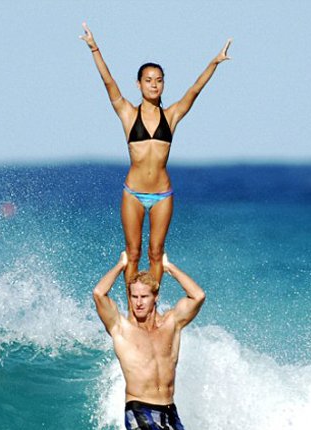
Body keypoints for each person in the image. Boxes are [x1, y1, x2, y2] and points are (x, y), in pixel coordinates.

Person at [81, 22, 231, 287]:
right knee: (133, 253)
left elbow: (195, 89)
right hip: (133, 194)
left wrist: (214, 62)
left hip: (162, 194)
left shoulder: (171, 116)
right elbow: (108, 81)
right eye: (148, 80)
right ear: (138, 84)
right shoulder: (128, 113)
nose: (154, 85)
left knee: (156, 254)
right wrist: (94, 48)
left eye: (159, 80)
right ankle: (133, 306)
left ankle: (151, 306)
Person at [93, 250, 206, 430]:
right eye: (134, 297)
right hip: (140, 408)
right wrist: (120, 265)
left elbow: (198, 296)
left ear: (156, 297)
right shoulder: (121, 328)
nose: (138, 302)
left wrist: (169, 267)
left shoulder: (172, 324)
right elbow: (99, 294)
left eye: (144, 296)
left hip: (169, 411)